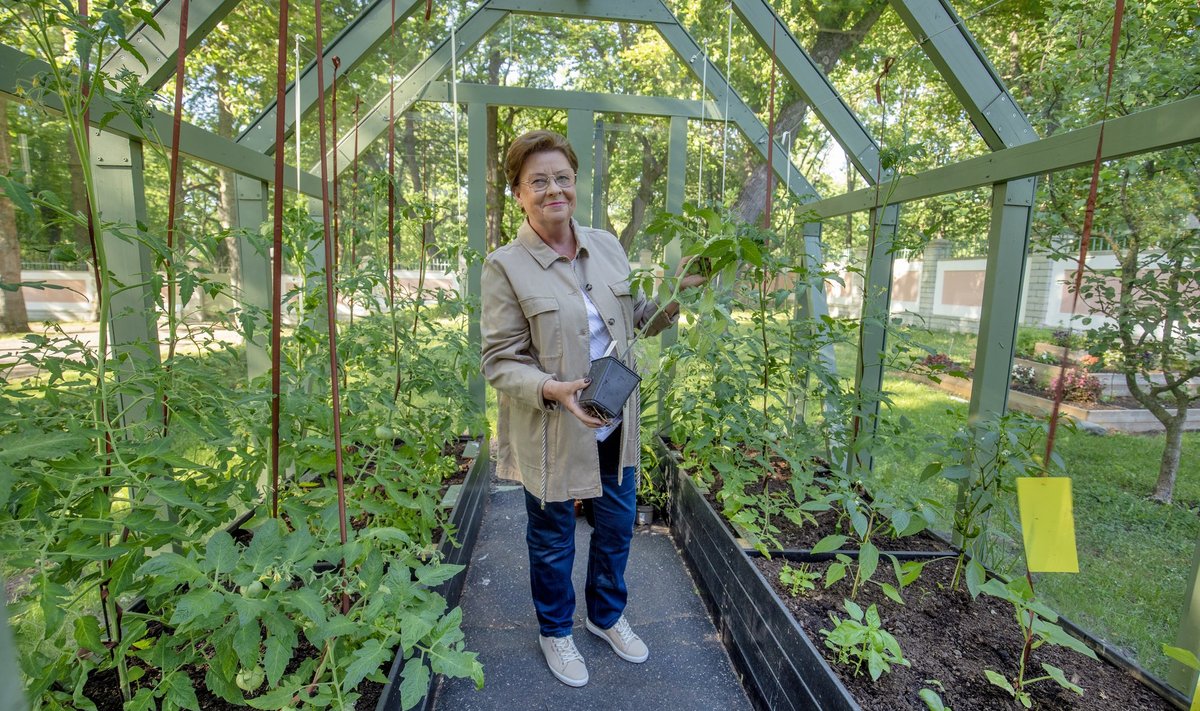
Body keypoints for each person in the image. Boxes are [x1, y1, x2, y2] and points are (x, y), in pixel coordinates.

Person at [481, 130, 704, 688]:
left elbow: (638, 324)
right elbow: (500, 360)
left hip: (612, 417)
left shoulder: (606, 245)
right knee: (553, 535)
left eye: (563, 178)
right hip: (553, 426)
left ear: (575, 183)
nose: (554, 189)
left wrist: (679, 295)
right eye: (539, 181)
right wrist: (553, 389)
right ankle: (555, 632)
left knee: (617, 526)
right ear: (518, 193)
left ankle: (605, 617)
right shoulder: (505, 265)